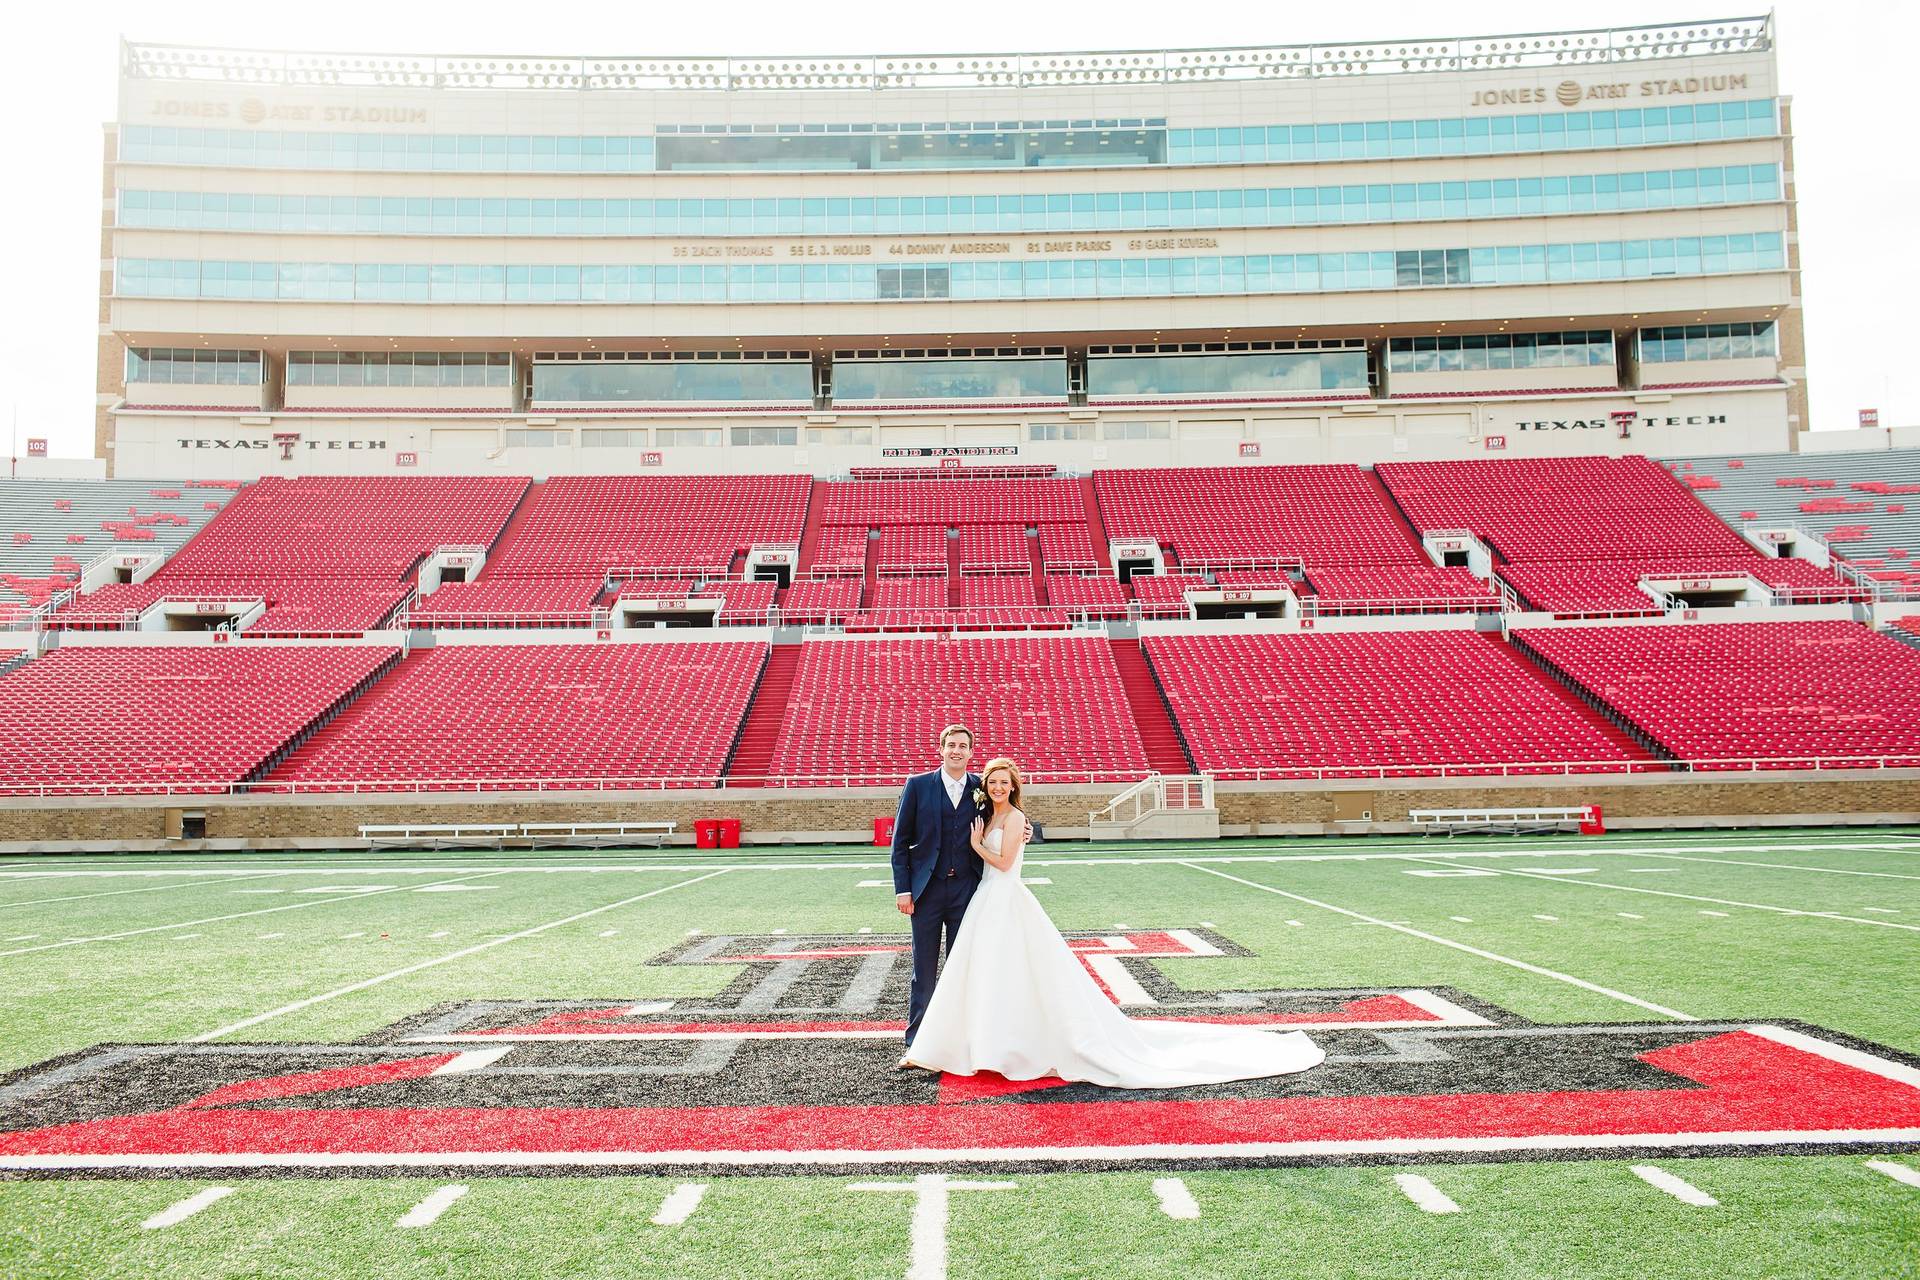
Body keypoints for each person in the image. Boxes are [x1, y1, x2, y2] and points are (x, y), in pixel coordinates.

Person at [901, 756, 1324, 1087]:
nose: (996, 786)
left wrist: (978, 846)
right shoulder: (982, 808)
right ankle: (968, 1042)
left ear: (1013, 786)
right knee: (980, 975)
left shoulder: (1012, 818)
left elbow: (1006, 861)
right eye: (992, 782)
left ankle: (1004, 1046)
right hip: (981, 900)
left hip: (1003, 898)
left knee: (1011, 975)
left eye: (1003, 782)